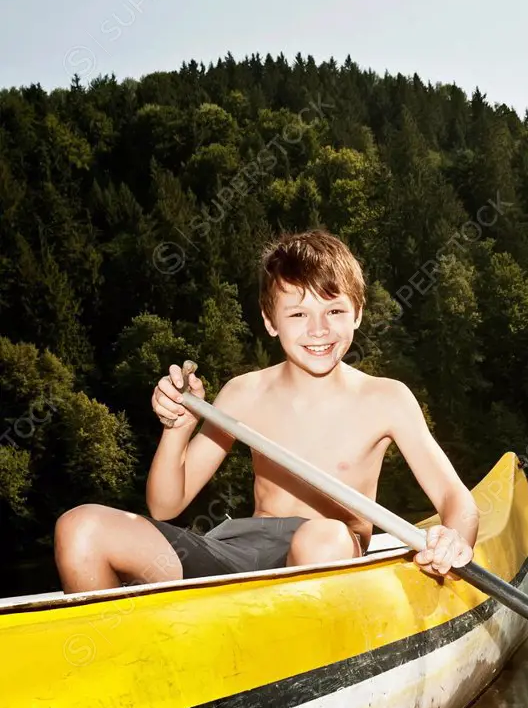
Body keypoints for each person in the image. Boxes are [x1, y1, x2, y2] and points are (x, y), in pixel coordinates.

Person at [54, 230, 479, 592]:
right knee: (80, 528)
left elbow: (456, 499)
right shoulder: (245, 393)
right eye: (298, 313)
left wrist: (453, 539)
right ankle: (125, 665)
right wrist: (178, 430)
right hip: (238, 551)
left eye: (334, 311)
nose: (318, 330)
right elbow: (166, 506)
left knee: (323, 537)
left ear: (358, 315)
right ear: (271, 321)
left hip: (330, 551)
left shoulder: (386, 398)